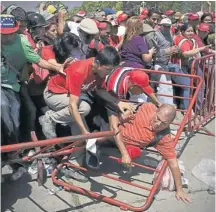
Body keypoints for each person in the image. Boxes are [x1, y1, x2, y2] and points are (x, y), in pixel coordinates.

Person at [39, 46, 135, 138]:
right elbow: (73, 105)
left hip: (72, 96)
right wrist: (83, 130)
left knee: (83, 140)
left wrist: (118, 102)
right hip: (54, 94)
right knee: (84, 108)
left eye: (112, 70)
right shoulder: (80, 71)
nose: (109, 73)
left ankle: (78, 150)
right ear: (97, 63)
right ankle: (49, 119)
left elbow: (100, 90)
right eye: (108, 69)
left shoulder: (98, 70)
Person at [109, 103, 191, 203]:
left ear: (169, 124)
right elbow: (130, 108)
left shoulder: (163, 137)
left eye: (164, 123)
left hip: (116, 143)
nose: (158, 124)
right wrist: (124, 114)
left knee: (134, 151)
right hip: (110, 126)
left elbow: (173, 163)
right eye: (158, 118)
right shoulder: (148, 107)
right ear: (156, 112)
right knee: (92, 133)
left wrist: (180, 190)